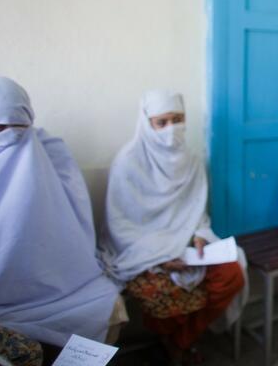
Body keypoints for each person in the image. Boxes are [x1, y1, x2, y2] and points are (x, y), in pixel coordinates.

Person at [99, 90, 246, 364]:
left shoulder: (190, 160)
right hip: (143, 250)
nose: (171, 129)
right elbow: (121, 226)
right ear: (147, 124)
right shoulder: (127, 162)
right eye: (162, 122)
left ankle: (181, 340)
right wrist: (161, 257)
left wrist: (201, 235)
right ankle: (178, 344)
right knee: (162, 294)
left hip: (186, 242)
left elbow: (196, 209)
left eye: (178, 120)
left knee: (232, 274)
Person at [0, 76, 126, 349]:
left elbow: (76, 217)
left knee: (105, 302)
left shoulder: (49, 151)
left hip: (59, 277)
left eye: (15, 126)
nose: (8, 133)